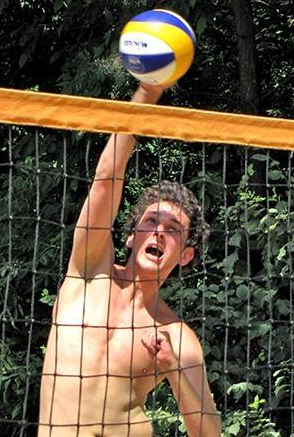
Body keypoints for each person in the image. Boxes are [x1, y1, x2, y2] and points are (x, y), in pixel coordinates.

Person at [38, 83, 221, 437]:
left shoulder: (176, 336)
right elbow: (106, 180)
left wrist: (175, 370)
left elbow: (209, 433)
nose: (159, 232)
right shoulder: (89, 275)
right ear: (130, 236)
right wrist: (148, 92)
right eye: (151, 221)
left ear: (185, 255)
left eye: (173, 229)